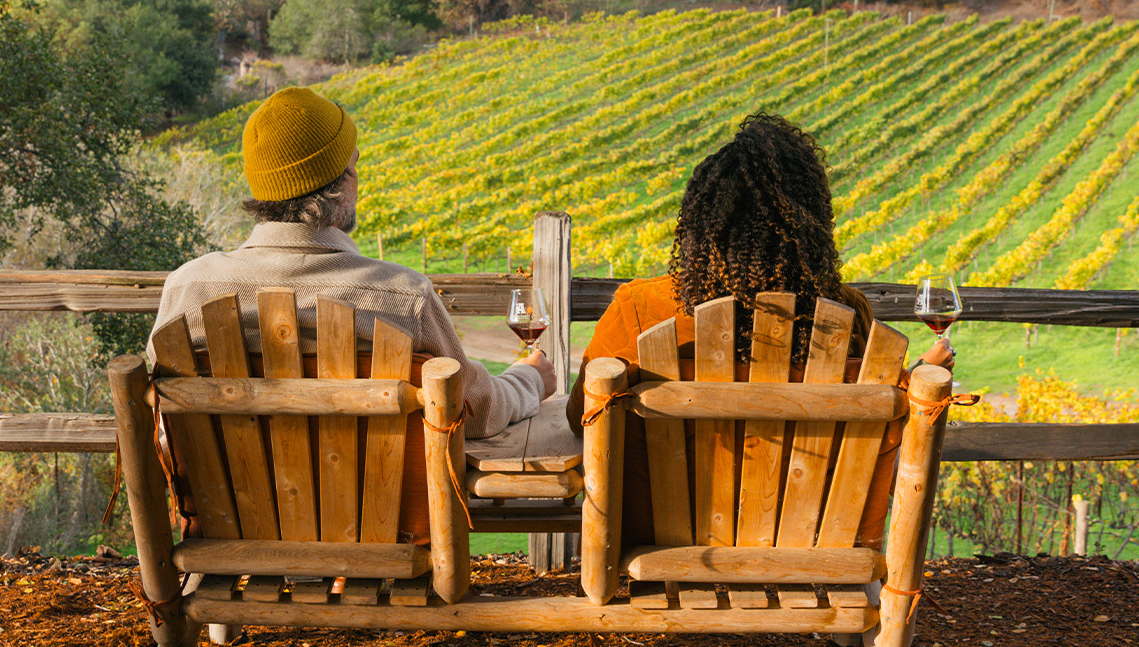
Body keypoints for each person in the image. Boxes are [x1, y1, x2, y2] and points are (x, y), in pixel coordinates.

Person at [567, 113, 953, 544]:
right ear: (813, 229)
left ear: (699, 227)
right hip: (819, 557)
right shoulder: (846, 316)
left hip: (664, 553)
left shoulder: (640, 310)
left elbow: (579, 417)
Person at [151, 86, 555, 440]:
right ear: (339, 185)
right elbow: (473, 409)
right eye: (354, 168)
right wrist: (529, 379)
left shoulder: (187, 290)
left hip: (225, 524)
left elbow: (162, 418)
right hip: (379, 528)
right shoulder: (402, 298)